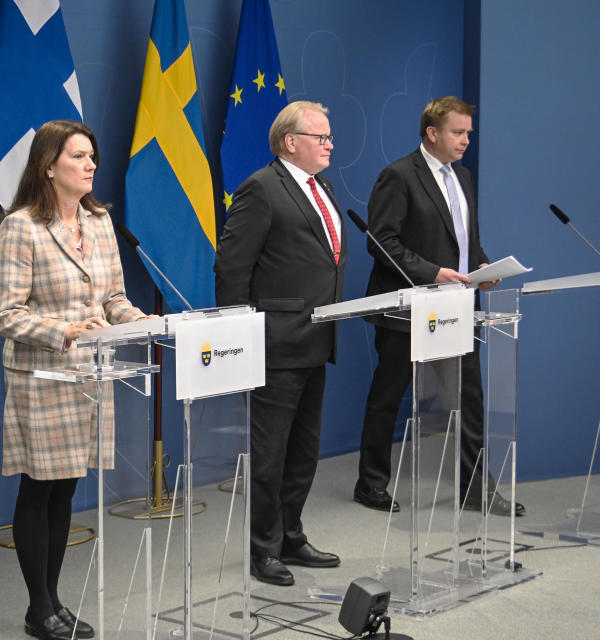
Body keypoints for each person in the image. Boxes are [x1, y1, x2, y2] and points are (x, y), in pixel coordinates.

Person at [0, 120, 147, 640]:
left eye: (92, 157)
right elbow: (6, 315)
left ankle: (54, 601)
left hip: (89, 377)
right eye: (79, 157)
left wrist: (142, 321)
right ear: (48, 165)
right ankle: (40, 607)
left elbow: (114, 300)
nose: (90, 165)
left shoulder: (100, 222)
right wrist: (65, 331)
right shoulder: (20, 227)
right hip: (42, 378)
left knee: (66, 493)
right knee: (40, 491)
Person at [354, 96, 523, 517]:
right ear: (432, 133)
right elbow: (381, 243)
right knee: (388, 397)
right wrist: (433, 272)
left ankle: (475, 488)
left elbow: (465, 240)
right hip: (408, 309)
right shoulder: (398, 175)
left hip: (460, 308)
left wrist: (482, 265)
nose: (467, 139)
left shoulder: (463, 176)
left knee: (469, 399)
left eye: (468, 132)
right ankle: (371, 484)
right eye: (458, 132)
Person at [214, 101, 346, 586]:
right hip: (274, 343)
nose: (330, 145)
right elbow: (232, 268)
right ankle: (264, 549)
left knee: (303, 452)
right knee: (270, 455)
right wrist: (239, 335)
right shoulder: (261, 188)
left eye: (330, 137)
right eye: (322, 137)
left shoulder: (322, 188)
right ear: (291, 142)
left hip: (317, 339)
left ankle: (291, 535)